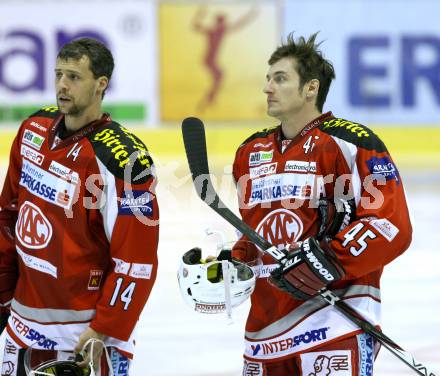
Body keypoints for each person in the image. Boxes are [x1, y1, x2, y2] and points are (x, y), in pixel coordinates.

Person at [230, 33, 412, 375]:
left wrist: (329, 260)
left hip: (334, 323)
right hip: (264, 334)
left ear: (310, 88)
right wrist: (234, 262)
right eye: (267, 79)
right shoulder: (249, 153)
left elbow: (390, 225)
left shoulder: (351, 143)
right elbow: (256, 233)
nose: (267, 88)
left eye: (280, 79)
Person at [0, 37, 159, 375]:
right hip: (23, 323)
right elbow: (7, 219)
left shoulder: (125, 160)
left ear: (101, 84)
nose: (61, 85)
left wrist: (105, 327)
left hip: (83, 333)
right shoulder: (32, 130)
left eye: (74, 76)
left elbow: (137, 260)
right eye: (58, 74)